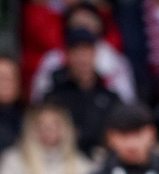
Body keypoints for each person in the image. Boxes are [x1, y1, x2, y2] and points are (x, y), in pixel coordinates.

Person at [29, 1, 137, 105]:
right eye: (77, 23)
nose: (82, 26)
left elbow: (127, 103)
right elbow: (38, 102)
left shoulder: (116, 61)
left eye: (87, 23)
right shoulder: (52, 59)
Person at [44, 28, 122, 160]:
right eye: (76, 52)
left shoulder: (110, 97)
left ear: (94, 54)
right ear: (68, 55)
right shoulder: (54, 97)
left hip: (104, 161)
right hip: (65, 161)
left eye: (86, 51)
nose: (82, 58)